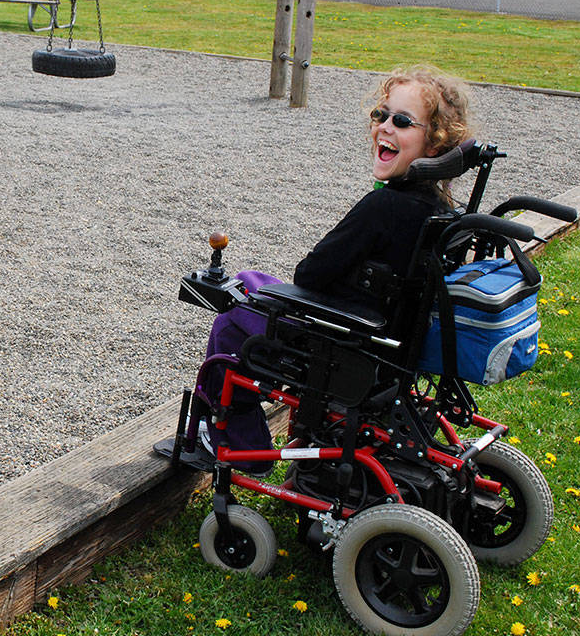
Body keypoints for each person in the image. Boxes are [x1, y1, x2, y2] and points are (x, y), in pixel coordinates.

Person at [199, 64, 475, 472]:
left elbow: (309, 274)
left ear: (434, 144)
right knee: (251, 282)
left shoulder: (384, 207)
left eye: (401, 121)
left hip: (343, 345)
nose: (384, 127)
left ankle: (234, 437)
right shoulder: (441, 210)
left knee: (234, 315)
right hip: (389, 343)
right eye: (381, 115)